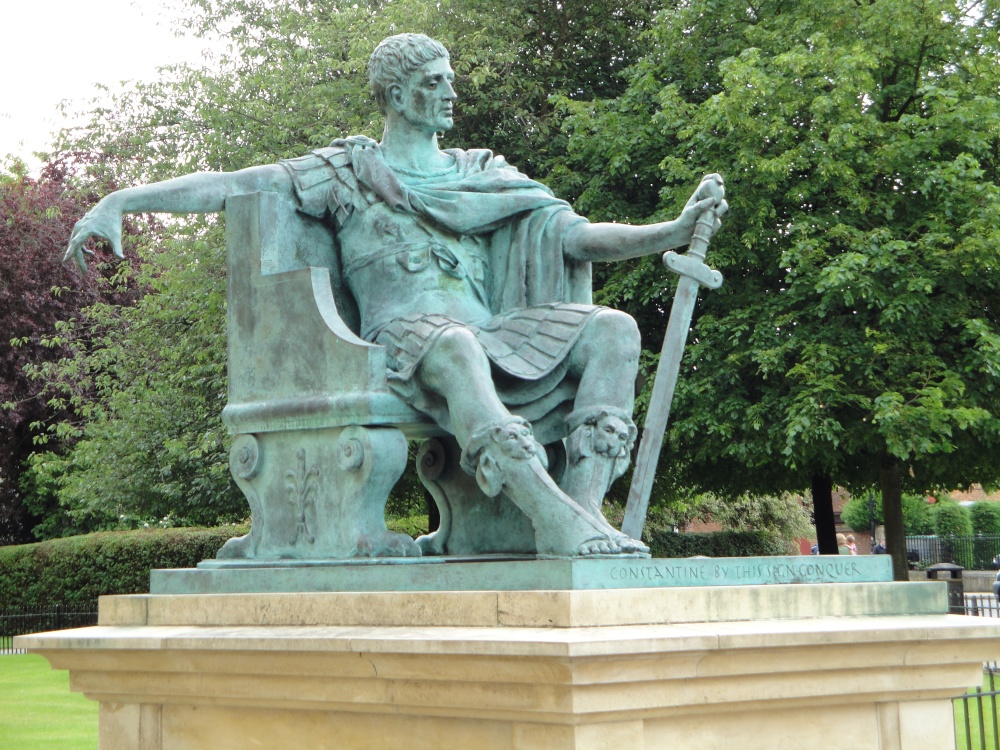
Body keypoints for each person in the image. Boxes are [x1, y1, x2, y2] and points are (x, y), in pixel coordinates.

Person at [64, 34, 727, 558]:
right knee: (455, 344)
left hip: (491, 337)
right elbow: (236, 184)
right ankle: (548, 514)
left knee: (612, 328)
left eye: (450, 78)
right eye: (434, 81)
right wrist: (122, 200)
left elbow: (575, 236)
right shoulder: (344, 171)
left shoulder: (480, 172)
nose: (450, 92)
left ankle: (581, 517)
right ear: (398, 95)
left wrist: (669, 230)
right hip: (401, 342)